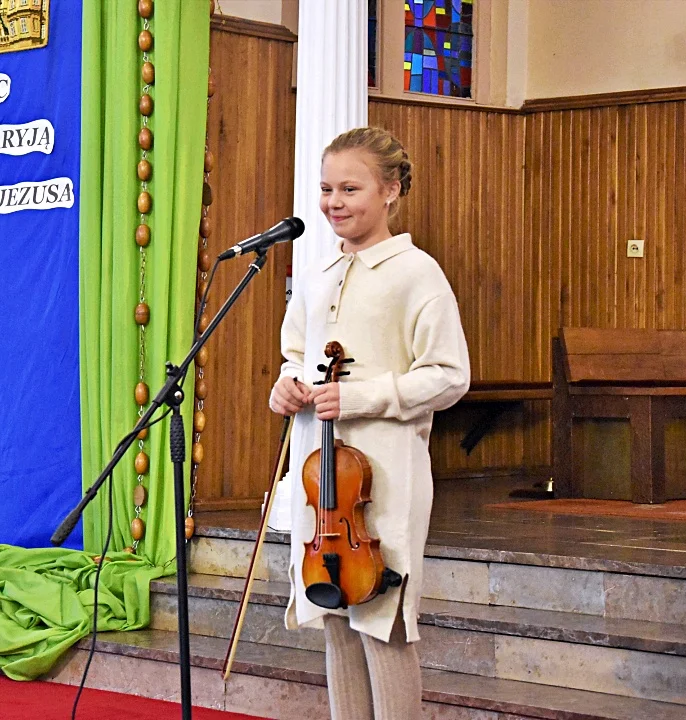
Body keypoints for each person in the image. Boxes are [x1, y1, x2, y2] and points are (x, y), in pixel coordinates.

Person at [269, 126, 470, 720]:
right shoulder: (317, 275)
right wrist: (289, 386)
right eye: (326, 188)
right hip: (319, 475)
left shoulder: (417, 273)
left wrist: (360, 398)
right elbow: (296, 355)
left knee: (383, 623)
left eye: (349, 188)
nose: (334, 201)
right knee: (333, 613)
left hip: (385, 476)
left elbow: (449, 375)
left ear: (390, 190)